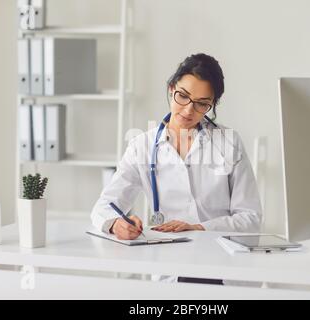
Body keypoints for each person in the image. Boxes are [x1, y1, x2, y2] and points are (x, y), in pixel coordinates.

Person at [91, 53, 262, 284]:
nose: (188, 110)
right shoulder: (141, 147)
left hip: (224, 269)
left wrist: (198, 228)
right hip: (170, 271)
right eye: (183, 96)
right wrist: (116, 224)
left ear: (212, 105)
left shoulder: (228, 142)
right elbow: (103, 207)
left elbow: (250, 219)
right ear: (172, 89)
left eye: (202, 103)